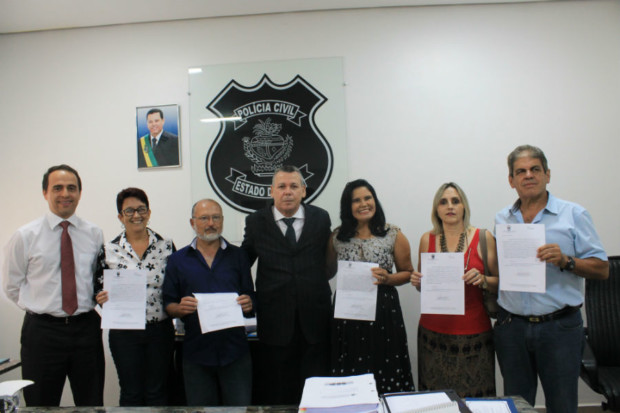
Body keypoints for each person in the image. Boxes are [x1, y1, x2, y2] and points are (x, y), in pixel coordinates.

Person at [494, 145, 608, 413]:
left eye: (535, 169)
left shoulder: (574, 214)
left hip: (559, 328)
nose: (528, 175)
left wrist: (567, 261)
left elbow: (602, 269)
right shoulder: (502, 218)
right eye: (521, 171)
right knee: (517, 405)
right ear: (511, 180)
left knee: (562, 405)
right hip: (512, 327)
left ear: (547, 174)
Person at [2, 164, 105, 406]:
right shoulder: (25, 235)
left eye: (71, 188)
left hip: (86, 329)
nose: (65, 194)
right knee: (40, 404)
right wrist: (40, 308)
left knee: (91, 403)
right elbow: (11, 285)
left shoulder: (94, 233)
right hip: (42, 333)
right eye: (57, 188)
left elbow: (98, 279)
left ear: (80, 193)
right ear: (45, 193)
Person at [241, 165, 332, 404]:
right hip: (275, 322)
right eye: (281, 186)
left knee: (316, 391)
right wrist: (247, 296)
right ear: (271, 191)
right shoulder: (255, 221)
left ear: (303, 190)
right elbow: (242, 263)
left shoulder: (321, 218)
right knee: (279, 391)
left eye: (293, 186)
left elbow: (333, 256)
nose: (287, 192)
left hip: (316, 320)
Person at [410, 182, 499, 398]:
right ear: (436, 209)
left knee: (475, 403)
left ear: (464, 206)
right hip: (432, 335)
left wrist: (483, 279)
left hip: (474, 336)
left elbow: (501, 281)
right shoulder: (427, 239)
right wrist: (417, 281)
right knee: (436, 402)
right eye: (443, 202)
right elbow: (425, 286)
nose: (450, 206)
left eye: (455, 201)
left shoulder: (483, 237)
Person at [163, 199, 255, 406]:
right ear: (192, 222)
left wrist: (249, 302)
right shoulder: (177, 260)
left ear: (222, 220)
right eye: (204, 218)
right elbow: (168, 303)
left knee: (239, 410)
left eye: (216, 217)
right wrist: (178, 308)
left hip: (235, 353)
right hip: (196, 353)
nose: (211, 223)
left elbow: (250, 294)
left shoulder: (239, 256)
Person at [328, 179, 415, 394]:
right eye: (356, 200)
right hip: (347, 314)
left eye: (368, 198)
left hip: (383, 312)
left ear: (375, 200)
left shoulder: (393, 234)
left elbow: (408, 273)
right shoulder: (337, 237)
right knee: (350, 368)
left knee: (385, 366)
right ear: (347, 206)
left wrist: (388, 279)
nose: (363, 204)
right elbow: (327, 272)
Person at [94, 187, 176, 406]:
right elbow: (97, 287)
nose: (136, 215)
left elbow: (177, 284)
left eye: (141, 209)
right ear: (120, 217)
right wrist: (101, 298)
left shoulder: (166, 246)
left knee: (157, 391)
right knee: (131, 392)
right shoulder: (109, 250)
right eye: (129, 211)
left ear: (149, 213)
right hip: (124, 333)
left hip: (160, 331)